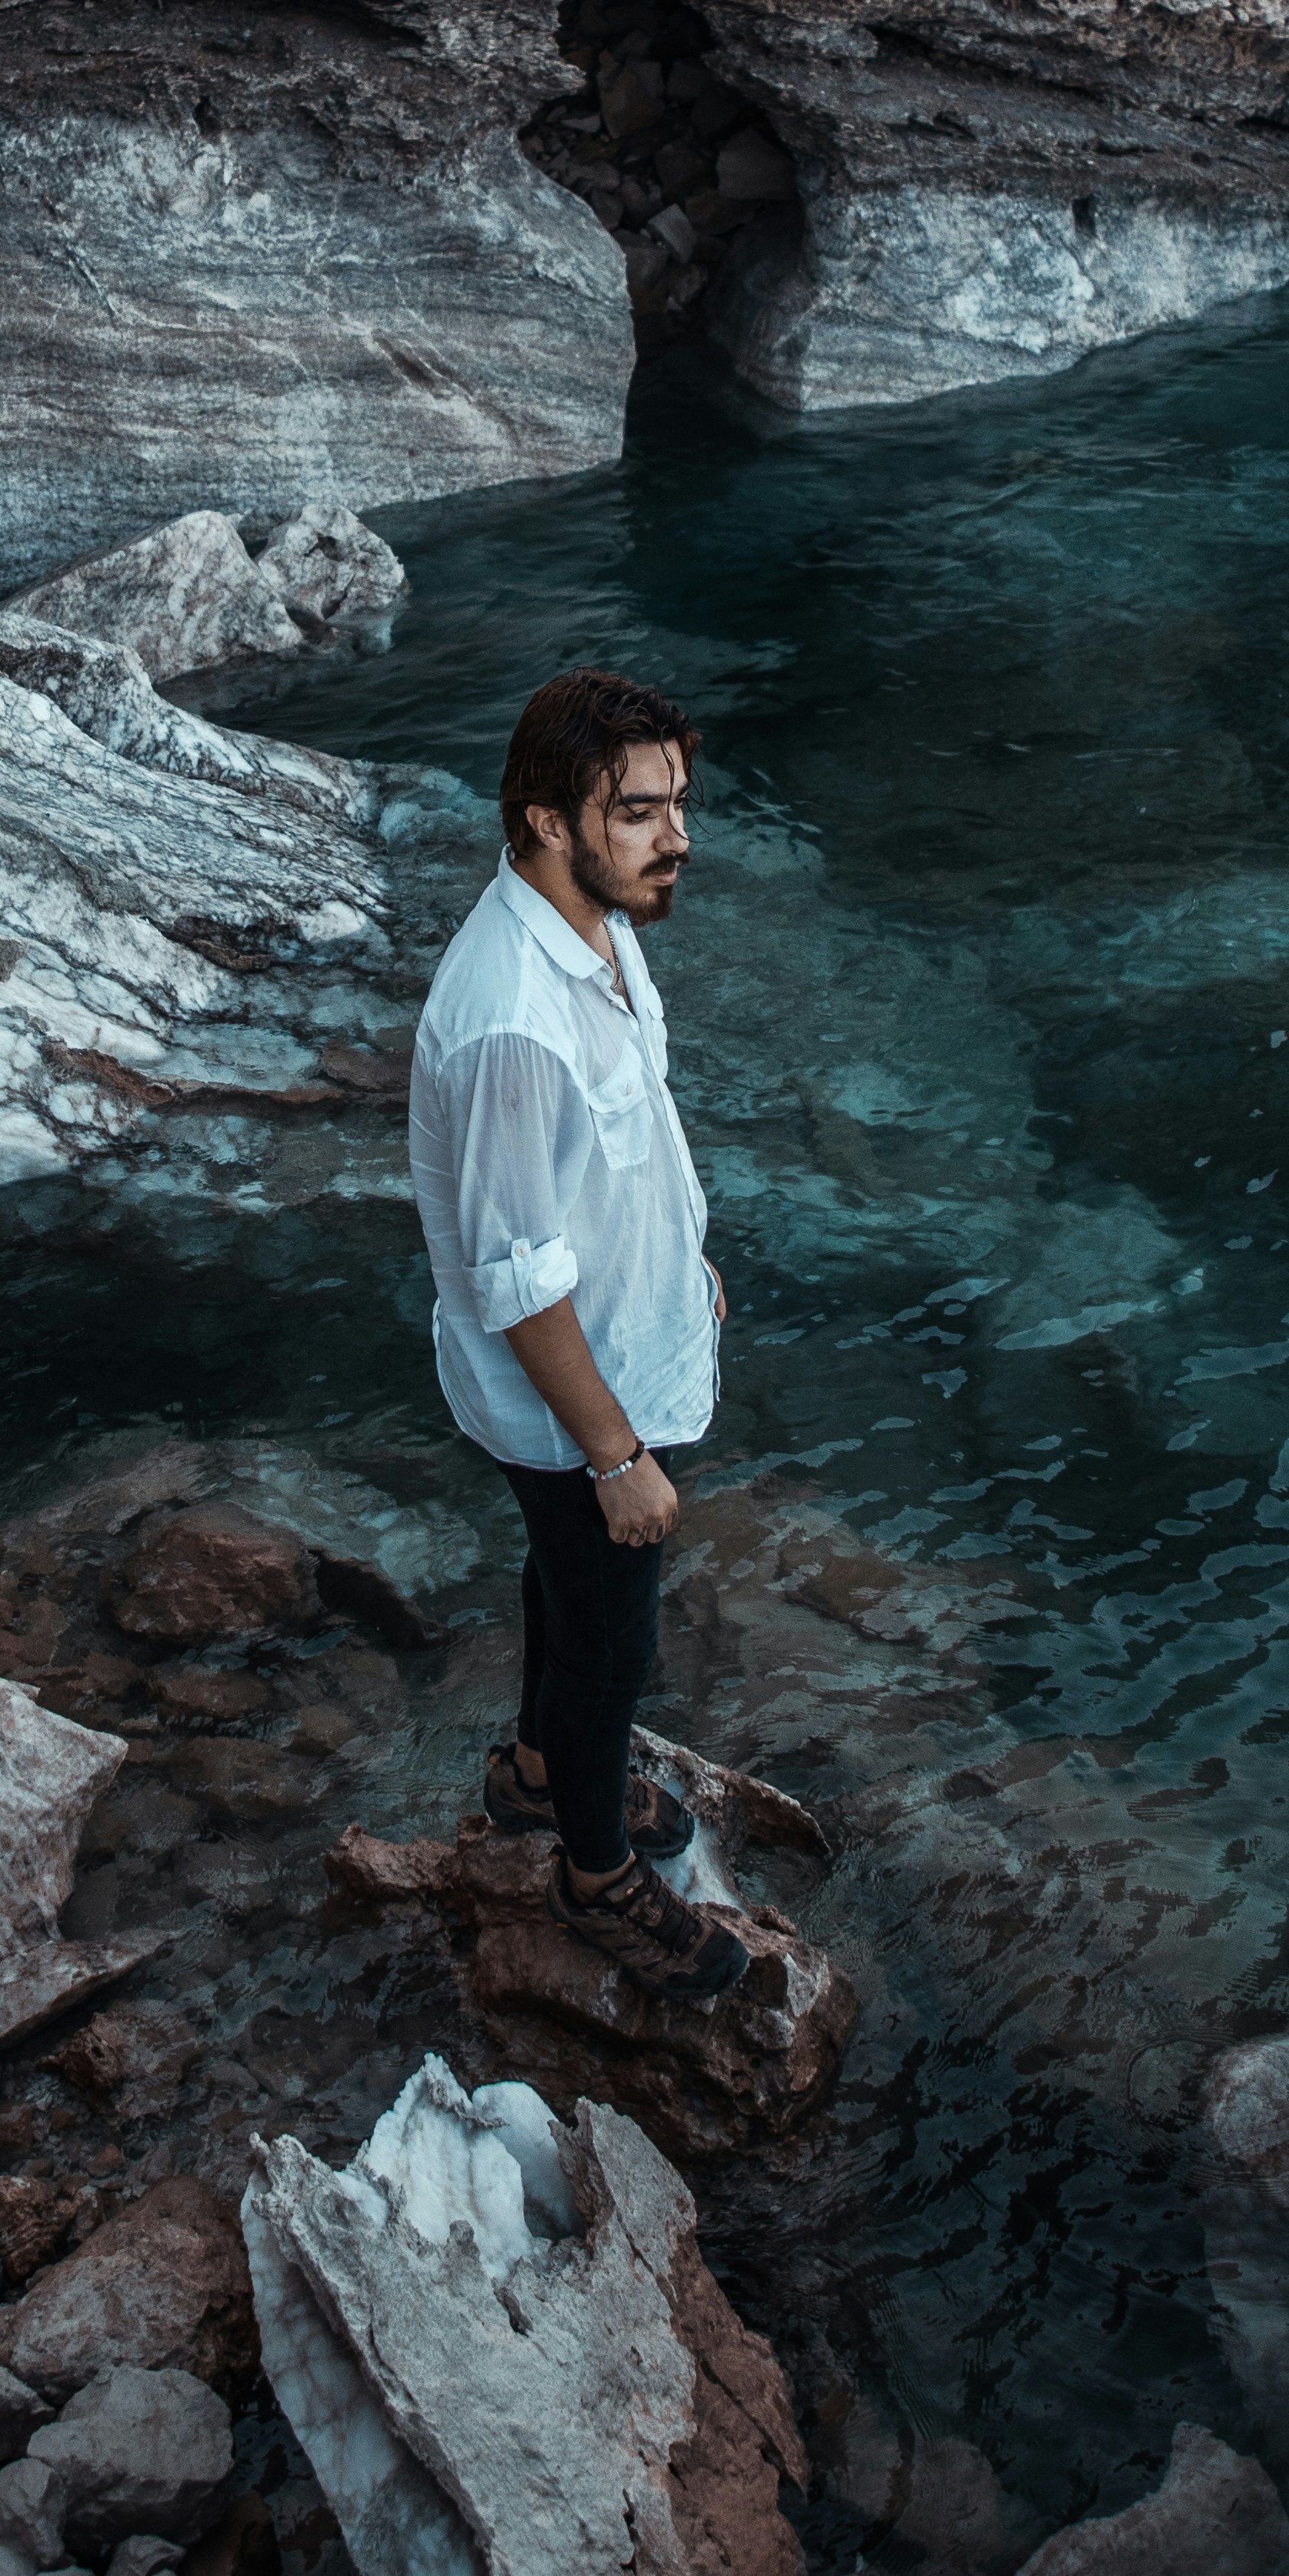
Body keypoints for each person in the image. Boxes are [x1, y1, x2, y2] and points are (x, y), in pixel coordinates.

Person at [405, 666, 750, 2000]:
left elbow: (621, 1140)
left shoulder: (592, 921)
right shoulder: (510, 1018)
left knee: (566, 1586)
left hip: (630, 1344)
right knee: (614, 1641)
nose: (677, 838)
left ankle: (542, 1772)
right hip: (576, 1398)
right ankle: (595, 1877)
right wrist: (615, 1458)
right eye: (639, 812)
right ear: (548, 821)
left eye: (678, 804)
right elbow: (516, 1279)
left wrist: (684, 1260)